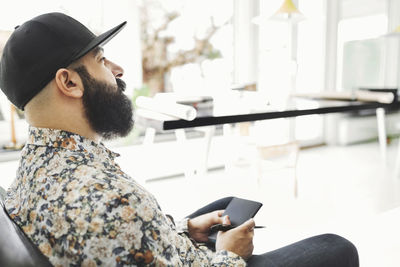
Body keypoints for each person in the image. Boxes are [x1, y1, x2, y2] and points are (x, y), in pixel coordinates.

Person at [0, 13, 359, 266]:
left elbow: (124, 238)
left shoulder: (35, 167)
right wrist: (229, 256)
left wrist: (184, 230)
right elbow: (118, 220)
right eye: (102, 60)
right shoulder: (107, 200)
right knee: (336, 248)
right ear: (70, 83)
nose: (118, 70)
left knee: (223, 206)